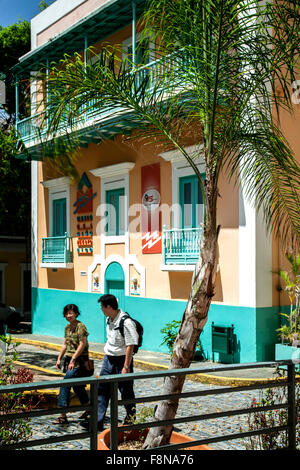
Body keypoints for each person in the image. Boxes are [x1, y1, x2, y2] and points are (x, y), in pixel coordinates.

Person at [81, 294, 138, 432]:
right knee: (102, 391)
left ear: (109, 307)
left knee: (126, 392)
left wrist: (126, 366)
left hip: (122, 360)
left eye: (102, 307)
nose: (101, 309)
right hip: (109, 359)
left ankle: (130, 419)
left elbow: (130, 345)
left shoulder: (126, 321)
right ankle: (97, 422)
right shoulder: (109, 319)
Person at [53, 304, 91, 424]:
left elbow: (82, 344)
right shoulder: (67, 328)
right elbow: (65, 344)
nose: (68, 316)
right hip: (70, 361)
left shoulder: (81, 326)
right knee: (78, 386)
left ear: (76, 314)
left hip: (80, 362)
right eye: (66, 313)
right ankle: (89, 408)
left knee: (65, 383)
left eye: (71, 313)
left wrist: (73, 359)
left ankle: (63, 415)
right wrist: (59, 358)